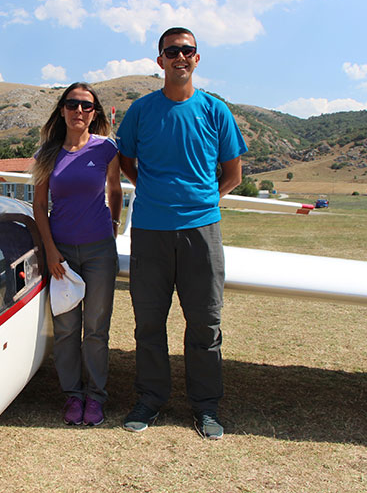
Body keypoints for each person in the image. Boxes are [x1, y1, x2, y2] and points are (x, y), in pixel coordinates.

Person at [116, 27, 247, 439]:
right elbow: (126, 161)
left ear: (197, 58)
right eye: (172, 51)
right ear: (160, 61)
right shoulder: (142, 111)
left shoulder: (215, 111)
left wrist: (202, 200)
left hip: (201, 232)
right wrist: (156, 194)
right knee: (149, 323)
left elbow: (233, 174)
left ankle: (205, 407)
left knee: (205, 323)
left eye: (187, 50)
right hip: (151, 232)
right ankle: (150, 399)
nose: (180, 57)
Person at [33, 82, 122, 426]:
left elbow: (115, 190)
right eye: (72, 104)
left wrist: (112, 226)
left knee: (96, 329)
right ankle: (72, 395)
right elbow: (40, 207)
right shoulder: (47, 153)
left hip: (100, 251)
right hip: (62, 253)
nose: (79, 111)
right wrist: (51, 252)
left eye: (86, 106)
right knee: (67, 328)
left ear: (94, 112)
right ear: (62, 110)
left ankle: (96, 397)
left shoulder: (106, 150)